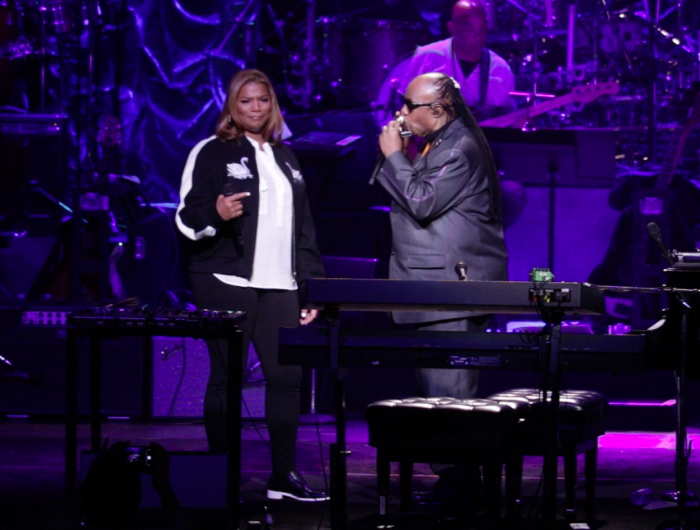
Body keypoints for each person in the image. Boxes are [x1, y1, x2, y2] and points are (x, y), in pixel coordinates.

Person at [176, 69, 328, 502]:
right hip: (226, 278)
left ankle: (283, 476)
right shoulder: (212, 151)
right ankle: (219, 473)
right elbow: (185, 219)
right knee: (229, 377)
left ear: (272, 104)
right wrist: (215, 215)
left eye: (263, 100)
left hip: (282, 283)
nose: (256, 108)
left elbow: (305, 230)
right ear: (232, 106)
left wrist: (310, 287)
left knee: (286, 378)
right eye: (246, 102)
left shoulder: (288, 158)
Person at [375, 72, 508, 504]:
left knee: (449, 392)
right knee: (438, 390)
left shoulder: (458, 147)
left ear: (437, 110)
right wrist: (405, 152)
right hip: (435, 286)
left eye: (409, 105)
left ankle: (461, 486)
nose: (401, 112)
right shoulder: (442, 142)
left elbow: (422, 202)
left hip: (451, 287)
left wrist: (395, 155)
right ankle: (455, 480)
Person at [400, 0, 515, 121]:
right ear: (452, 28)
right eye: (470, 29)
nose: (478, 36)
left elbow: (507, 118)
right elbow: (404, 108)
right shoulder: (427, 57)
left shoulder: (500, 69)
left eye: (482, 29)